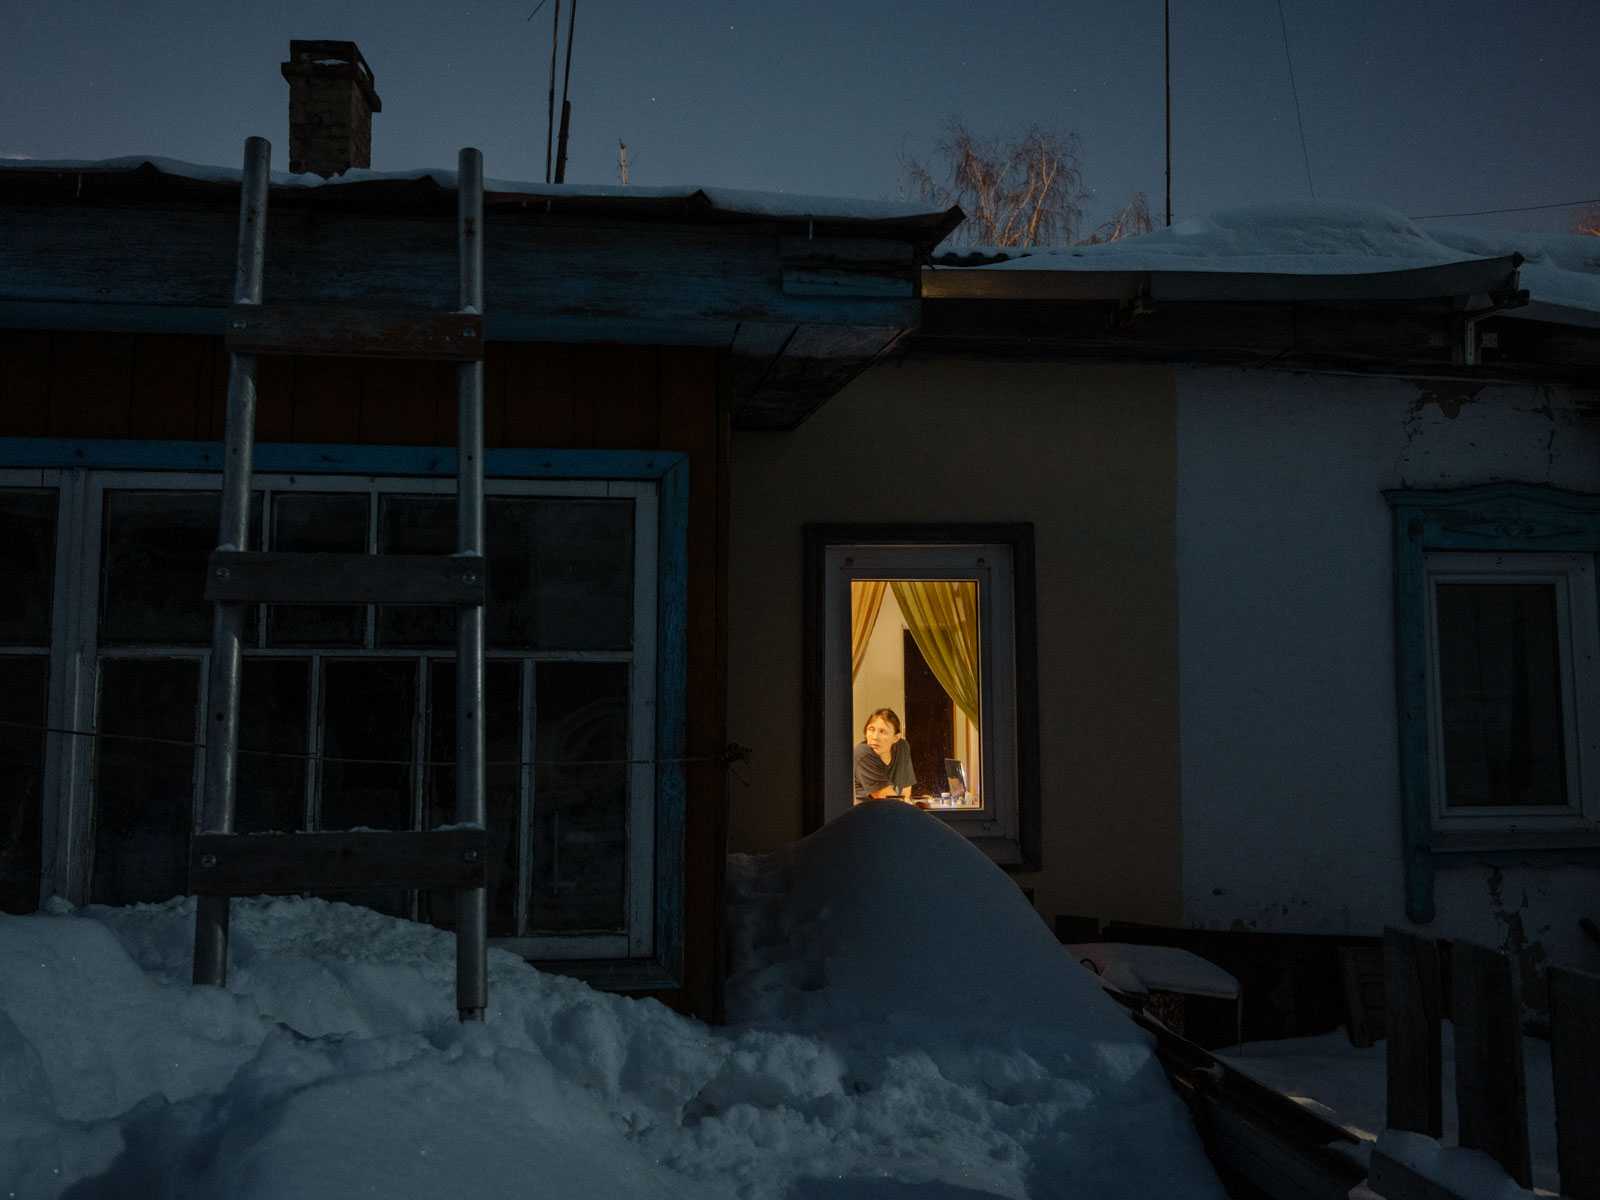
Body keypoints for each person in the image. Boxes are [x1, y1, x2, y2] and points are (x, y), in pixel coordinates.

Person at [852, 707, 917, 803]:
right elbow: (888, 801)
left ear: (896, 738)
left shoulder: (902, 747)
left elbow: (905, 794)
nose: (875, 737)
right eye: (871, 729)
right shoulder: (862, 753)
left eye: (882, 732)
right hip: (869, 816)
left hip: (894, 814)